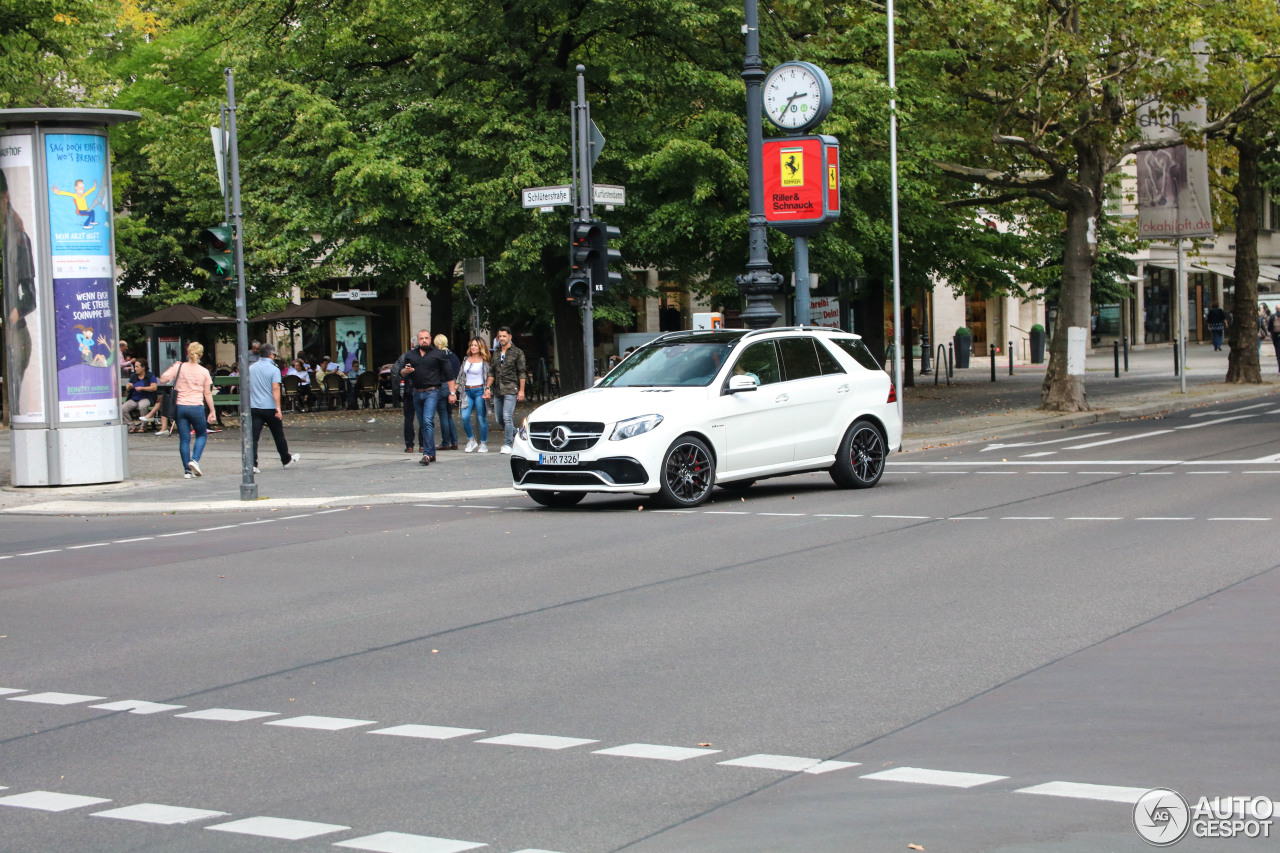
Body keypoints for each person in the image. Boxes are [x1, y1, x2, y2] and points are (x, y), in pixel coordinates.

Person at [2, 171, 37, 417]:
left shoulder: (18, 239)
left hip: (14, 332)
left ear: (5, 197)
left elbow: (30, 296)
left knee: (18, 404)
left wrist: (10, 318)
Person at [158, 341, 216, 478]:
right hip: (196, 407)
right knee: (201, 434)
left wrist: (174, 366)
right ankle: (195, 460)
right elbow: (207, 393)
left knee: (184, 439)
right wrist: (212, 411)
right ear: (201, 355)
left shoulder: (180, 367)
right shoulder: (204, 372)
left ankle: (187, 470)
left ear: (187, 353)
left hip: (180, 407)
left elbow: (163, 379)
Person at [399, 329, 457, 465]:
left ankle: (426, 453)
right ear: (417, 341)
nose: (424, 340)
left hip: (432, 391)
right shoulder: (411, 355)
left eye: (426, 338)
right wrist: (406, 371)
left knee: (427, 420)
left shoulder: (439, 354)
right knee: (423, 424)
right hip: (416, 392)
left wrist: (452, 393)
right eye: (421, 338)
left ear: (430, 339)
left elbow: (449, 374)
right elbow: (401, 373)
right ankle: (431, 453)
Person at [248, 343, 300, 473]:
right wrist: (278, 407)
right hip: (270, 407)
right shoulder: (274, 369)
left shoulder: (251, 368)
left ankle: (252, 463)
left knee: (254, 437)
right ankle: (286, 459)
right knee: (278, 434)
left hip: (255, 406)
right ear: (271, 355)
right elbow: (275, 388)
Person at [489, 326, 526, 454]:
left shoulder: (517, 352)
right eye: (500, 336)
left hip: (511, 388)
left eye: (504, 336)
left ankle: (507, 444)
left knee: (507, 417)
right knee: (499, 418)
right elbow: (492, 372)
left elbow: (521, 372)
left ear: (510, 336)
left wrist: (521, 391)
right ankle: (516, 433)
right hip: (498, 390)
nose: (502, 339)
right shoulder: (496, 352)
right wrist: (488, 387)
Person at [456, 336, 491, 452]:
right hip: (467, 391)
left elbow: (489, 376)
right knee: (465, 417)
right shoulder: (466, 359)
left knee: (481, 418)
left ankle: (483, 444)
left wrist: (487, 389)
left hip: (479, 390)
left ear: (480, 346)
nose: (473, 347)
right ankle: (471, 440)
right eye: (471, 345)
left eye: (475, 345)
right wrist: (455, 389)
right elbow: (461, 375)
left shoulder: (484, 361)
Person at [390, 339, 422, 453]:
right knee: (423, 418)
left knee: (409, 418)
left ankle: (409, 445)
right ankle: (422, 444)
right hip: (419, 389)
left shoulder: (405, 356)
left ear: (412, 344)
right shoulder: (423, 357)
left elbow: (396, 370)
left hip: (409, 389)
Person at [434, 334, 461, 450]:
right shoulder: (453, 356)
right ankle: (454, 441)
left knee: (443, 415)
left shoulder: (436, 356)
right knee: (448, 414)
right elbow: (457, 371)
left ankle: (446, 442)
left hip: (441, 385)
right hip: (451, 386)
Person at [122, 358, 158, 432]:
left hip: (146, 397)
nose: (135, 369)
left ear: (143, 367)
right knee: (123, 408)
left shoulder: (150, 376)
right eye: (135, 367)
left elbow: (154, 387)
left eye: (137, 367)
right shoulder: (133, 376)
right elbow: (128, 387)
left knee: (142, 406)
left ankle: (143, 426)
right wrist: (129, 386)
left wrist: (142, 388)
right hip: (134, 398)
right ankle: (131, 425)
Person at [1270, 305, 1280, 373]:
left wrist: (1273, 333)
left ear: (1276, 309)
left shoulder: (1272, 316)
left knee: (1278, 352)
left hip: (1276, 336)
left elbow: (1269, 327)